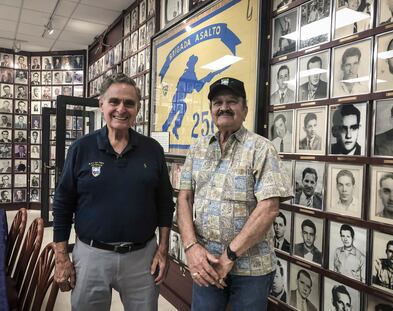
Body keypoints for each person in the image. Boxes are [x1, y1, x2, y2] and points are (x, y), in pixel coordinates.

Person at [52, 73, 174, 311]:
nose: (121, 109)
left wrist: (163, 250)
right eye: (114, 101)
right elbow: (62, 204)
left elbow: (164, 204)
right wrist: (61, 258)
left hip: (142, 258)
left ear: (137, 108)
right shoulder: (81, 149)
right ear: (101, 104)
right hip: (90, 256)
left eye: (129, 103)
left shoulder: (152, 150)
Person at [177, 77, 292, 310]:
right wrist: (191, 248)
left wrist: (229, 255)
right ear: (211, 110)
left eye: (232, 101)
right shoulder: (198, 149)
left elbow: (269, 208)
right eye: (218, 102)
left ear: (245, 109)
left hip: (252, 268)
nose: (224, 107)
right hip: (205, 262)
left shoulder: (262, 148)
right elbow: (184, 198)